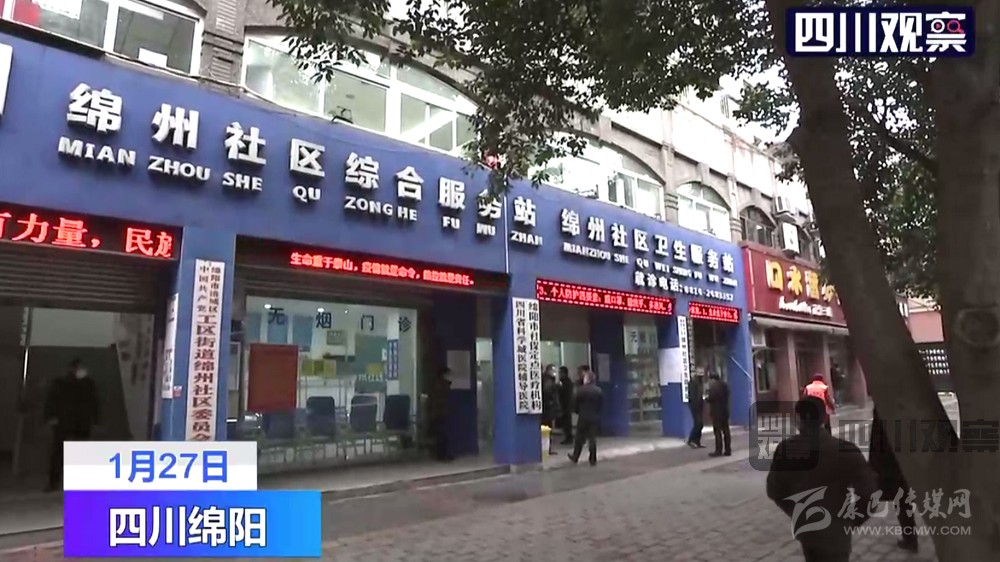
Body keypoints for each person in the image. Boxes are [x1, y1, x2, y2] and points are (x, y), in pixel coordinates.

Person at [767, 397, 879, 562]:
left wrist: (795, 511)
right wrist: (851, 520)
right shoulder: (846, 451)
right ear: (825, 418)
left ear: (797, 419)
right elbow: (870, 494)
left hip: (806, 529)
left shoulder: (785, 449)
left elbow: (774, 490)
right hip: (836, 532)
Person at [44, 358, 101, 491]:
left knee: (70, 453)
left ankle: (65, 482)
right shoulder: (64, 383)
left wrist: (96, 419)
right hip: (69, 421)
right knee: (60, 453)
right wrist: (50, 417)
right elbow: (52, 401)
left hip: (74, 422)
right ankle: (55, 482)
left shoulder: (86, 384)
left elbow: (94, 403)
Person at [869, 407, 919, 553]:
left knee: (902, 501)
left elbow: (879, 442)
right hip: (904, 460)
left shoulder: (885, 408)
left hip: (893, 463)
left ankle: (910, 539)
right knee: (904, 501)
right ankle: (910, 538)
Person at [568, 368, 602, 466]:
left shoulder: (580, 390)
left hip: (583, 417)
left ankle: (575, 457)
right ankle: (593, 458)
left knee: (579, 438)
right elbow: (600, 404)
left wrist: (576, 411)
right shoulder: (598, 391)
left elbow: (574, 403)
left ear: (587, 379)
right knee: (592, 438)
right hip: (594, 417)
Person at [427, 367, 454, 462]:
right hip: (439, 413)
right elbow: (439, 400)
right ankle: (442, 455)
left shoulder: (436, 385)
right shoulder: (441, 386)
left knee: (441, 434)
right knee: (442, 435)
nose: (450, 377)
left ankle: (442, 454)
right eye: (448, 374)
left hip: (438, 413)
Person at [706, 372, 731, 457]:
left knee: (717, 432)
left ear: (713, 379)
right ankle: (728, 450)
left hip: (717, 413)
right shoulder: (725, 385)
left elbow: (711, 398)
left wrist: (706, 398)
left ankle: (718, 450)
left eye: (710, 379)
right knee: (726, 431)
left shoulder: (714, 387)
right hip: (725, 411)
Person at [540, 364, 561, 455]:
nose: (554, 373)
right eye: (553, 370)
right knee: (547, 429)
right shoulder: (548, 381)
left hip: (547, 409)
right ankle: (546, 449)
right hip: (547, 409)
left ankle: (546, 448)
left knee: (546, 429)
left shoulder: (547, 380)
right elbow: (549, 393)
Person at [687, 374, 706, 448]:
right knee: (698, 424)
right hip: (695, 406)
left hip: (699, 406)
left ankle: (697, 441)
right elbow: (693, 396)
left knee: (700, 424)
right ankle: (691, 440)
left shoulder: (700, 383)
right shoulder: (693, 383)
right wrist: (696, 406)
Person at [557, 366, 575, 444]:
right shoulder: (563, 382)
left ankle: (569, 437)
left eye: (560, 373)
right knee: (565, 422)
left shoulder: (567, 382)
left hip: (566, 405)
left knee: (567, 423)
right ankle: (567, 437)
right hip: (564, 405)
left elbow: (565, 394)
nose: (559, 374)